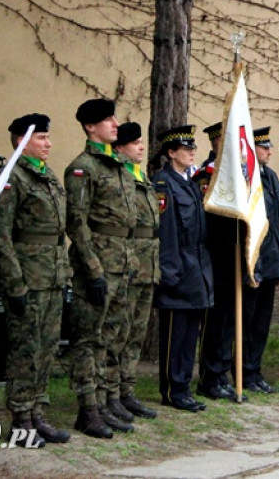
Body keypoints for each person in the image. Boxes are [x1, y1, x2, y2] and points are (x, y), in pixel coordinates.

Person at [0, 113, 69, 448]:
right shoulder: (12, 177)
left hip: (52, 275)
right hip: (27, 278)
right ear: (21, 141)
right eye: (41, 138)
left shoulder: (47, 175)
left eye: (48, 138)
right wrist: (14, 282)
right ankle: (21, 418)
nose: (48, 143)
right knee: (26, 349)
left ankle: (38, 411)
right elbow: (0, 234)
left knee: (48, 347)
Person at [65, 98, 138, 436]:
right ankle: (88, 408)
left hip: (122, 263)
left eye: (114, 118)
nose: (114, 123)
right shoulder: (83, 168)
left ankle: (108, 399)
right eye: (107, 120)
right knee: (89, 339)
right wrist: (92, 269)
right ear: (90, 127)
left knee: (113, 336)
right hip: (99, 265)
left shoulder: (117, 165)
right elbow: (77, 224)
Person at [154, 125, 214, 412]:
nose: (192, 152)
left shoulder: (190, 182)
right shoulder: (164, 184)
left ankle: (184, 387)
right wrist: (170, 272)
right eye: (186, 149)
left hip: (196, 267)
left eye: (193, 148)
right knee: (175, 334)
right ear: (171, 153)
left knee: (191, 333)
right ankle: (172, 389)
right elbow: (167, 234)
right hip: (178, 268)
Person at [111, 122, 159, 420]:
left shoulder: (142, 177)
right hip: (127, 264)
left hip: (147, 265)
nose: (141, 147)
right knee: (120, 331)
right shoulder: (121, 177)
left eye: (142, 142)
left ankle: (128, 390)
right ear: (120, 148)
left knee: (136, 334)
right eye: (135, 143)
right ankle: (113, 392)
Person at [195, 120, 246, 401]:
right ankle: (209, 376)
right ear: (217, 144)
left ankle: (222, 372)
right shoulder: (208, 176)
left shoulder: (237, 174)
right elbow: (210, 219)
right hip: (216, 255)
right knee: (215, 322)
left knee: (228, 320)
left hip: (234, 256)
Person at [239, 126, 279, 394]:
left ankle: (255, 370)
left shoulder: (270, 176)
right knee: (247, 321)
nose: (269, 151)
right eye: (264, 147)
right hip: (253, 263)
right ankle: (243, 371)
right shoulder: (246, 178)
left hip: (271, 262)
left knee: (261, 324)